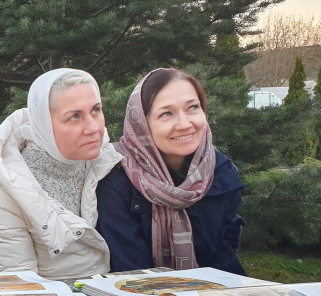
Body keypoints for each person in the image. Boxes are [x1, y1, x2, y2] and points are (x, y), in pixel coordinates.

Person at [0, 68, 121, 279]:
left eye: (96, 110)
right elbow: (21, 288)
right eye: (74, 117)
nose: (93, 128)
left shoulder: (105, 164)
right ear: (44, 125)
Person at [96, 68, 245, 274]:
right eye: (166, 113)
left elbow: (224, 258)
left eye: (193, 107)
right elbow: (130, 270)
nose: (184, 124)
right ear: (141, 124)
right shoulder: (117, 177)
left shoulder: (218, 169)